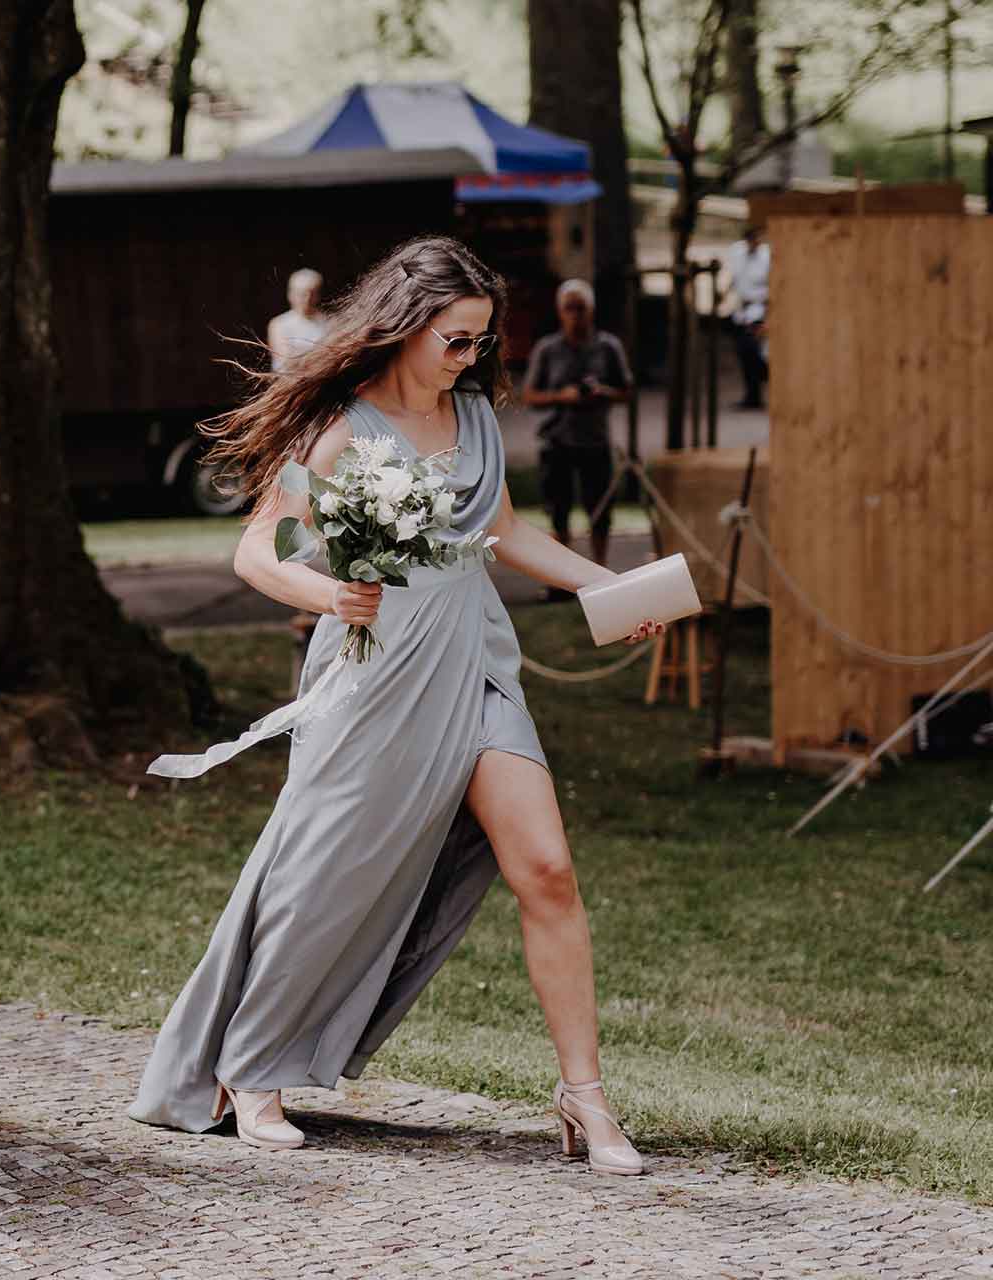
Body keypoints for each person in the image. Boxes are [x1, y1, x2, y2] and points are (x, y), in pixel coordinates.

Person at [129, 237, 662, 1176]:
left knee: (546, 867)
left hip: (476, 662)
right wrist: (329, 594)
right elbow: (260, 551)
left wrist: (608, 591)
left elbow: (499, 529)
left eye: (481, 343)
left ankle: (584, 1096)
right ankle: (253, 1071)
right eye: (456, 341)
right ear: (408, 327)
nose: (471, 359)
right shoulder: (339, 427)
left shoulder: (475, 420)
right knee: (324, 871)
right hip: (374, 671)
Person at [522, 279, 631, 577]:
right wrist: (562, 396)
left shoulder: (608, 346)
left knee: (601, 513)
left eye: (581, 308)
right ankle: (562, 577)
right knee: (558, 513)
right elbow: (529, 396)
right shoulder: (547, 349)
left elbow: (627, 390)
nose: (575, 315)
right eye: (569, 308)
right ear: (560, 312)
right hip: (557, 441)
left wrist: (602, 392)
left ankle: (600, 574)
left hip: (595, 441)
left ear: (592, 310)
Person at [723, 222, 770, 409]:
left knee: (753, 351)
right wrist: (724, 294)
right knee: (744, 354)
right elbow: (733, 278)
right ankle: (752, 395)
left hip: (759, 309)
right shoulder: (737, 253)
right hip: (741, 311)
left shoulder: (767, 256)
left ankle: (764, 378)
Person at [268, 267, 328, 371]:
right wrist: (318, 353)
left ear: (318, 295)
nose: (306, 299)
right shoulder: (279, 324)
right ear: (290, 294)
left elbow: (331, 359)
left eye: (312, 293)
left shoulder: (329, 323)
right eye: (301, 294)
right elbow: (286, 360)